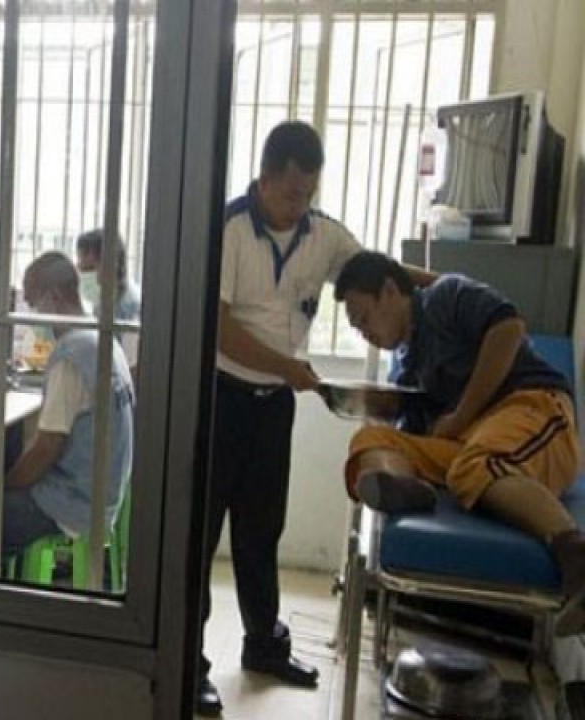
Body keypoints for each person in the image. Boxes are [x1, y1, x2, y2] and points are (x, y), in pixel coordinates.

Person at [199, 120, 435, 717]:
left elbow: (379, 276)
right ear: (265, 178)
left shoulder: (322, 234)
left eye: (307, 194)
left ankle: (263, 645)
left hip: (273, 405)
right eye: (289, 194)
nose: (298, 205)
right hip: (219, 396)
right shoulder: (227, 229)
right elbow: (219, 328)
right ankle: (189, 661)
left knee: (261, 528)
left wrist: (450, 289)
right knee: (199, 534)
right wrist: (287, 365)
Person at [335, 251, 585, 635]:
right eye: (355, 327)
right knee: (371, 437)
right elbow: (423, 434)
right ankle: (402, 487)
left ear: (389, 291)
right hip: (474, 441)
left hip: (533, 409)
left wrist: (462, 415)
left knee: (475, 466)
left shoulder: (445, 296)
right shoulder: (409, 361)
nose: (363, 332)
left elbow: (508, 329)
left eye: (363, 318)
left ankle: (578, 559)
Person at [1, 251, 135, 566]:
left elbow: (46, 450)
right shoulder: (103, 340)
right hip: (102, 495)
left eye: (33, 304)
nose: (32, 314)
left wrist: (3, 485)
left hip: (73, 504)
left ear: (55, 297)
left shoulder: (71, 357)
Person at [75, 228, 142, 369]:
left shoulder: (130, 307)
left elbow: (131, 366)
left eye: (89, 269)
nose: (83, 276)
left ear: (110, 264)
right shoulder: (103, 302)